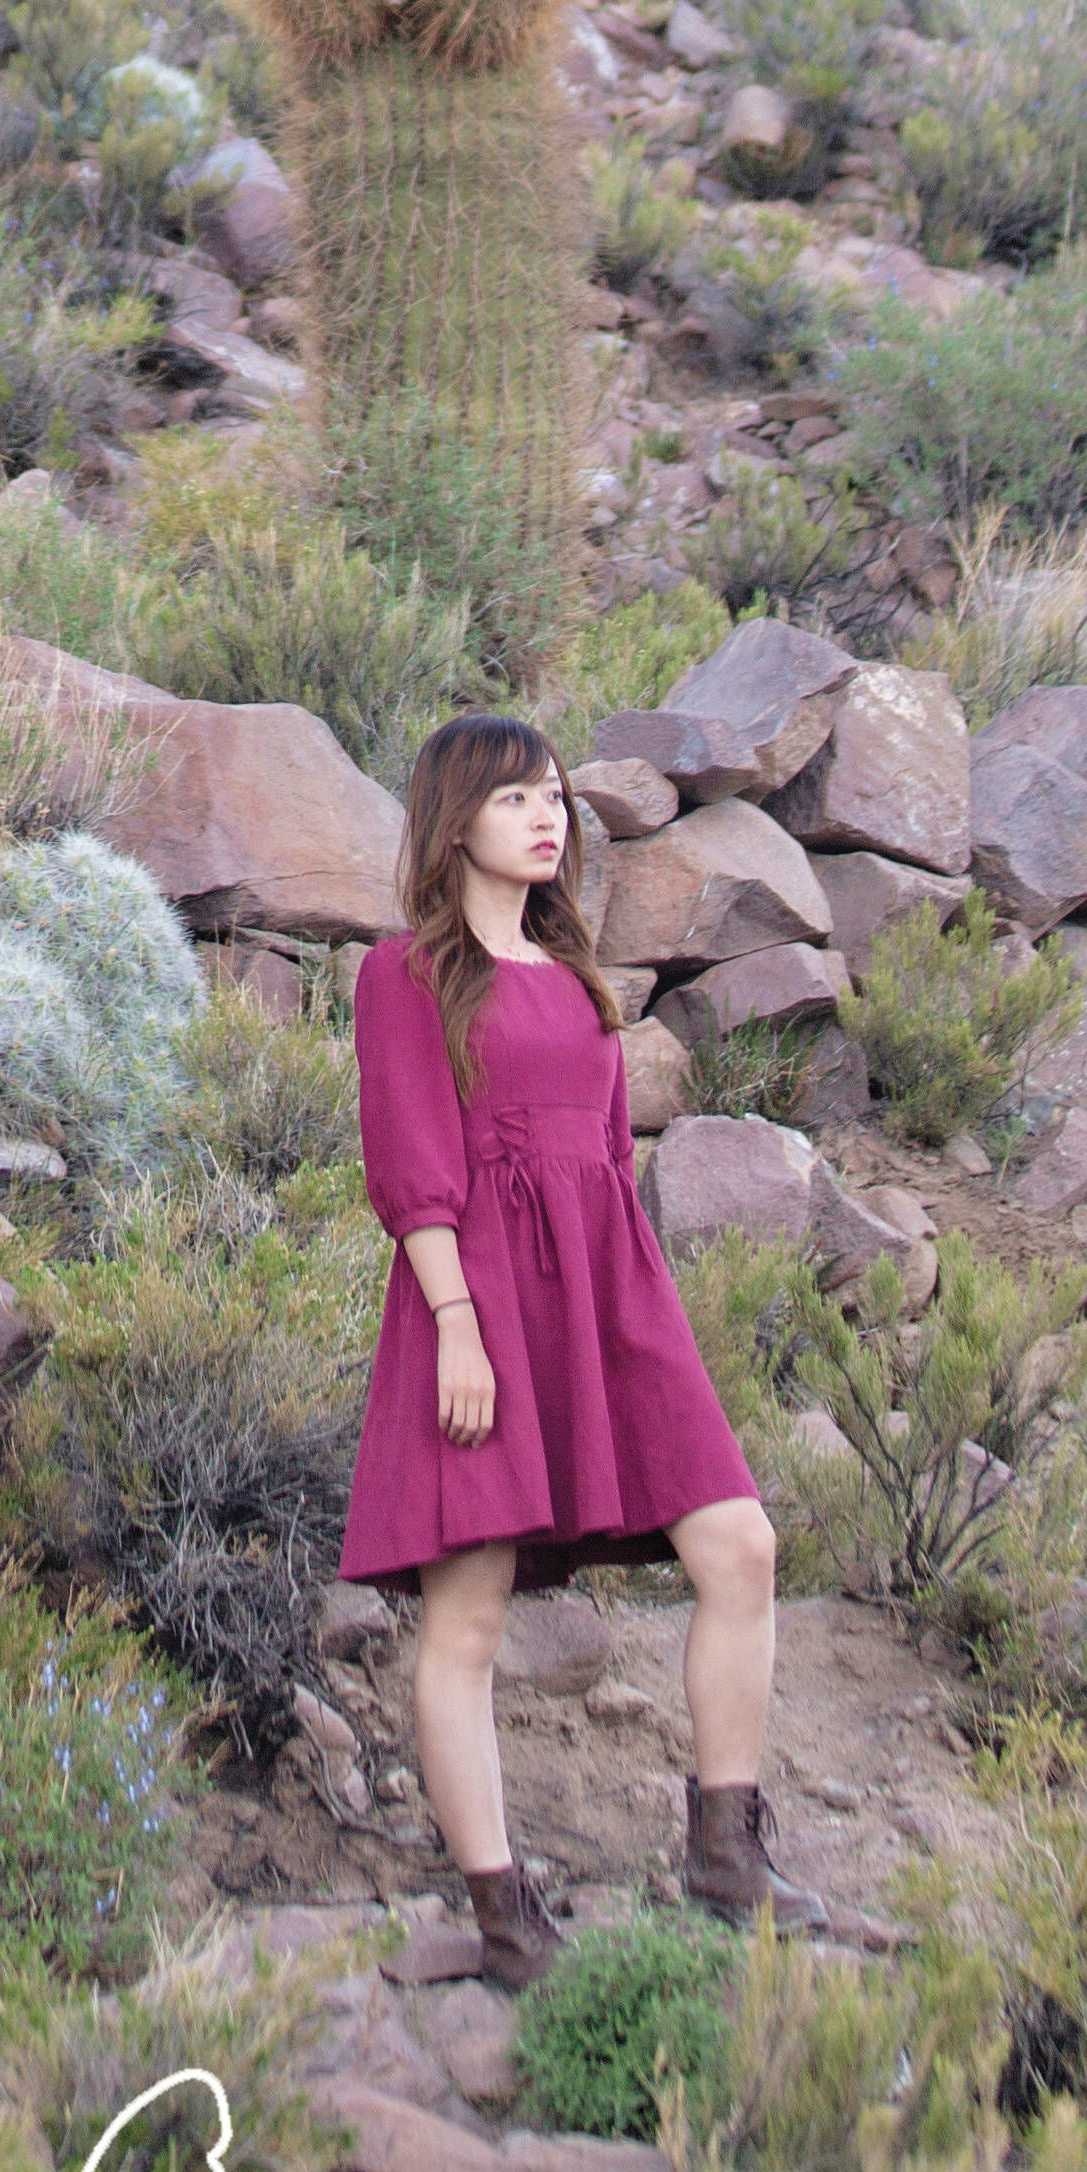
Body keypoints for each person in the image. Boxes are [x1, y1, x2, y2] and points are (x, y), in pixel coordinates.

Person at [340, 704, 827, 1989]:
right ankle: (506, 1920)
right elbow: (410, 1166)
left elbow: (611, 1161)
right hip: (481, 1300)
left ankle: (726, 1853)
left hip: (610, 1292)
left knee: (739, 1545)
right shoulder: (406, 975)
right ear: (455, 819)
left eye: (555, 793)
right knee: (470, 1614)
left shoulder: (580, 975)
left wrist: (634, 1317)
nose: (548, 814)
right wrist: (457, 1326)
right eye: (515, 798)